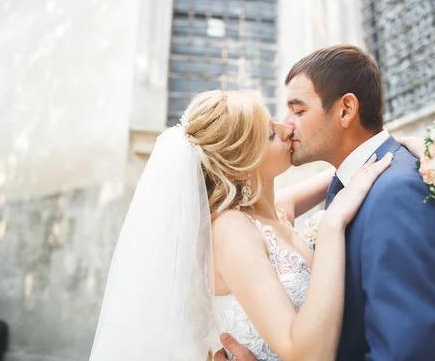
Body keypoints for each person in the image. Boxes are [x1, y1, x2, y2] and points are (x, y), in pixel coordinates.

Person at [89, 90, 393, 361]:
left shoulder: (274, 211)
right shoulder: (231, 230)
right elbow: (305, 354)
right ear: (242, 168)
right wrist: (331, 226)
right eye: (271, 135)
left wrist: (401, 146)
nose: (288, 129)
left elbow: (354, 166)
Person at [215, 45, 435, 361]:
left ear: (345, 110)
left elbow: (408, 350)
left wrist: (402, 145)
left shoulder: (398, 193)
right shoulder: (343, 184)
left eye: (298, 111)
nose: (287, 125)